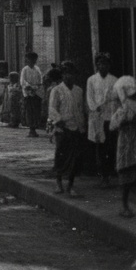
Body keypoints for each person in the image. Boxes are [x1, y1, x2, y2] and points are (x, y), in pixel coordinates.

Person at [108, 76, 136, 218]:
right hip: (126, 144)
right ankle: (124, 205)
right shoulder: (124, 107)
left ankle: (133, 196)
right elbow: (112, 125)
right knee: (126, 173)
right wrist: (124, 122)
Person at [48, 62, 86, 197]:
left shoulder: (79, 90)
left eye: (71, 73)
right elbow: (52, 108)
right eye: (65, 73)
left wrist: (82, 126)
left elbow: (81, 109)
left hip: (76, 127)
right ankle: (58, 182)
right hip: (62, 128)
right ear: (62, 75)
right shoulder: (57, 90)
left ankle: (70, 185)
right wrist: (59, 120)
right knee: (61, 155)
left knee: (74, 158)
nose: (68, 76)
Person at [86, 52, 119, 188]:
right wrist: (95, 108)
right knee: (100, 147)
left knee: (110, 147)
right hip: (97, 117)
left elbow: (117, 99)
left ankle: (109, 175)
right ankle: (102, 176)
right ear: (97, 65)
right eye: (100, 63)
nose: (102, 66)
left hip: (110, 117)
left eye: (105, 63)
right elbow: (90, 98)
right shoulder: (92, 80)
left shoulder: (114, 80)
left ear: (109, 65)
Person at [21, 52, 44, 137]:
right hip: (28, 93)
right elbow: (23, 81)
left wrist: (36, 88)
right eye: (30, 60)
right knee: (29, 112)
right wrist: (29, 88)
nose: (32, 62)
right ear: (27, 60)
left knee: (36, 111)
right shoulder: (25, 69)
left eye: (34, 60)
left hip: (36, 92)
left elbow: (40, 80)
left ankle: (35, 127)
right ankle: (31, 129)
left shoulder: (37, 69)